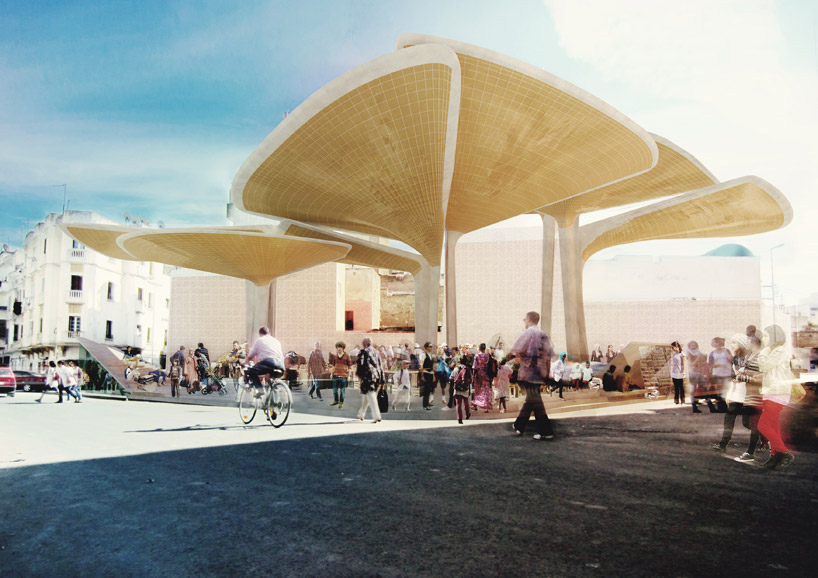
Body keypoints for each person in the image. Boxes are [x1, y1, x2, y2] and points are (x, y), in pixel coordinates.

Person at [509, 311, 555, 440]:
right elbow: (549, 357)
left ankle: (546, 431)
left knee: (535, 400)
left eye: (524, 319)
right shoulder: (544, 335)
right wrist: (547, 374)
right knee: (531, 399)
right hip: (540, 373)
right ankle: (519, 425)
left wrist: (502, 361)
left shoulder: (528, 333)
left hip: (529, 373)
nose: (524, 321)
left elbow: (515, 350)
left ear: (529, 319)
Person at [757, 325, 796, 470]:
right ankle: (775, 455)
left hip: (778, 392)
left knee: (763, 425)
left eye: (766, 336)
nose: (763, 339)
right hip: (771, 392)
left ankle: (784, 452)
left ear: (774, 337)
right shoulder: (773, 351)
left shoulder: (779, 350)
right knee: (773, 427)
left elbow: (764, 365)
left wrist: (763, 352)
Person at [711, 334, 752, 453]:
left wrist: (743, 376)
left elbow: (754, 375)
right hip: (736, 394)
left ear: (741, 344)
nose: (731, 345)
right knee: (729, 419)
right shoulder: (735, 358)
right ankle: (723, 444)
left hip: (748, 394)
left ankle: (765, 439)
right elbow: (732, 376)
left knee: (747, 423)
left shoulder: (750, 358)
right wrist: (729, 394)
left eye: (734, 343)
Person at [244, 327, 285, 395]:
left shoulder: (260, 340)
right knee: (270, 379)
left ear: (260, 334)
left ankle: (260, 390)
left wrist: (244, 363)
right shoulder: (276, 341)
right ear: (269, 333)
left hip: (269, 362)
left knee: (251, 371)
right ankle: (273, 398)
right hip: (281, 365)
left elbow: (250, 356)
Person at [356, 337, 383, 423]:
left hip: (367, 376)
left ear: (364, 343)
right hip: (376, 376)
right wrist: (382, 379)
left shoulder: (363, 352)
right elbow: (380, 365)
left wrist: (359, 376)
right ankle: (361, 413)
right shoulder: (377, 352)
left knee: (371, 394)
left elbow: (360, 365)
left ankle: (377, 416)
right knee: (367, 395)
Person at [328, 341, 352, 408]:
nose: (339, 348)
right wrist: (331, 374)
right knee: (335, 390)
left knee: (342, 391)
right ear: (336, 348)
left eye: (340, 347)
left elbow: (349, 367)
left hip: (343, 376)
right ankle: (336, 401)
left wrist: (349, 376)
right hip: (335, 376)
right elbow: (333, 366)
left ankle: (341, 402)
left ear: (343, 348)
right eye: (338, 347)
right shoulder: (335, 356)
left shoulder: (347, 356)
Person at [686, 341, 708, 413]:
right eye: (691, 345)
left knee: (704, 389)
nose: (693, 346)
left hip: (700, 373)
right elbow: (691, 364)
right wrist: (698, 357)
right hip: (693, 373)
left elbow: (704, 362)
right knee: (693, 389)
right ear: (689, 346)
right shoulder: (689, 353)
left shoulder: (698, 352)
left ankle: (710, 406)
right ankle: (694, 407)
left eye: (694, 344)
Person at [472, 343, 493, 412]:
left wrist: (473, 377)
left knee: (478, 390)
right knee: (487, 390)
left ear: (479, 348)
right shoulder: (488, 355)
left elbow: (475, 367)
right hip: (487, 375)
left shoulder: (477, 356)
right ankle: (487, 407)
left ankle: (475, 405)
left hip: (479, 375)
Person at [419, 342, 436, 410]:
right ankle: (425, 405)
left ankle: (427, 403)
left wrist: (433, 376)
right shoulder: (423, 355)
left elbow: (432, 366)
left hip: (430, 373)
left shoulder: (430, 355)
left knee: (429, 389)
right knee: (426, 389)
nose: (431, 348)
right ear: (426, 347)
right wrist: (422, 376)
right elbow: (421, 365)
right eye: (430, 346)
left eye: (431, 346)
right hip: (426, 373)